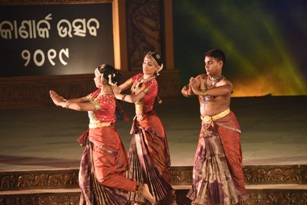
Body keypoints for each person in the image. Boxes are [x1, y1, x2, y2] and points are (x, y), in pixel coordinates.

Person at [49, 64, 155, 205]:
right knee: (88, 175)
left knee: (103, 178)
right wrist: (63, 101)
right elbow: (80, 100)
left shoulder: (106, 99)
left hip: (104, 140)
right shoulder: (98, 93)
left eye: (96, 75)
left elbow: (81, 107)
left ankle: (139, 188)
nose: (94, 78)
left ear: (103, 79)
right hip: (96, 137)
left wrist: (62, 104)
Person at [181, 49, 247, 205]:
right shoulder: (201, 78)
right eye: (205, 63)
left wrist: (196, 89)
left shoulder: (226, 84)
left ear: (220, 63)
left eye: (210, 63)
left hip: (223, 127)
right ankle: (206, 198)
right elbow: (186, 90)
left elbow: (208, 92)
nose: (206, 67)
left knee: (229, 162)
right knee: (201, 161)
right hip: (206, 126)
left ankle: (229, 198)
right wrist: (188, 90)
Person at [112, 51, 177, 205]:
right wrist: (112, 87)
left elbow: (134, 98)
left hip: (149, 125)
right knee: (137, 160)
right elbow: (120, 88)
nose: (146, 66)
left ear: (157, 68)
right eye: (144, 62)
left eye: (150, 64)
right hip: (139, 124)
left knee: (154, 162)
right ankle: (142, 198)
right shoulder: (137, 77)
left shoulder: (152, 83)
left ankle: (162, 197)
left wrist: (117, 96)